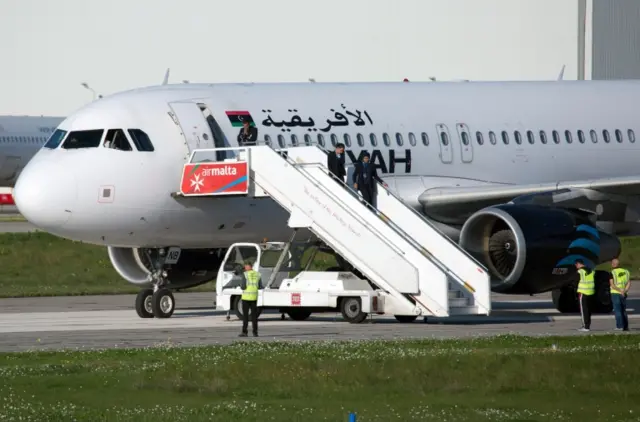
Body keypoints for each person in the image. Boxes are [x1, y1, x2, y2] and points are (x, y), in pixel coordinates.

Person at [239, 260, 263, 337]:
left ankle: (244, 332)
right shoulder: (258, 274)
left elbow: (243, 287)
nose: (245, 268)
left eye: (245, 266)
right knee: (254, 316)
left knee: (245, 316)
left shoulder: (245, 274)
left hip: (246, 298)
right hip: (254, 298)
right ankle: (255, 332)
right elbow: (260, 286)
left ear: (248, 266)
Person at [609, 258, 631, 331]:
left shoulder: (612, 272)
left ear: (613, 264)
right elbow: (628, 282)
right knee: (623, 310)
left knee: (617, 310)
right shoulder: (626, 272)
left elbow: (612, 285)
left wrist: (619, 290)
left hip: (615, 293)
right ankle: (625, 326)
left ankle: (619, 326)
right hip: (623, 293)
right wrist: (624, 291)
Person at [575, 259, 595, 332]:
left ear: (578, 264)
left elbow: (576, 281)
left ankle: (585, 327)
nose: (576, 266)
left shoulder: (580, 271)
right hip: (590, 292)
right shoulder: (592, 271)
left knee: (583, 310)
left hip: (583, 292)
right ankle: (588, 325)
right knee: (588, 310)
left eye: (576, 265)